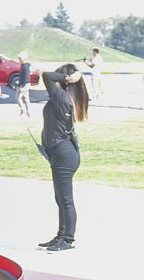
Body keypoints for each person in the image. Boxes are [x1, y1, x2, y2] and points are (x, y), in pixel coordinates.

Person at [38, 63, 88, 252]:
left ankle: (68, 239)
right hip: (59, 154)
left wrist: (70, 77)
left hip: (63, 155)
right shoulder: (62, 97)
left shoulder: (60, 96)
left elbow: (46, 76)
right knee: (60, 199)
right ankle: (60, 236)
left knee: (66, 200)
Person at [12, 52, 33, 117]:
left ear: (23, 58)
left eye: (20, 58)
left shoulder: (25, 66)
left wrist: (22, 86)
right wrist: (19, 85)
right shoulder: (24, 65)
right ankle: (28, 112)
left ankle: (23, 111)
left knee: (18, 98)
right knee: (26, 98)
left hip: (25, 84)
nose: (19, 59)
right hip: (26, 84)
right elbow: (22, 77)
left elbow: (26, 77)